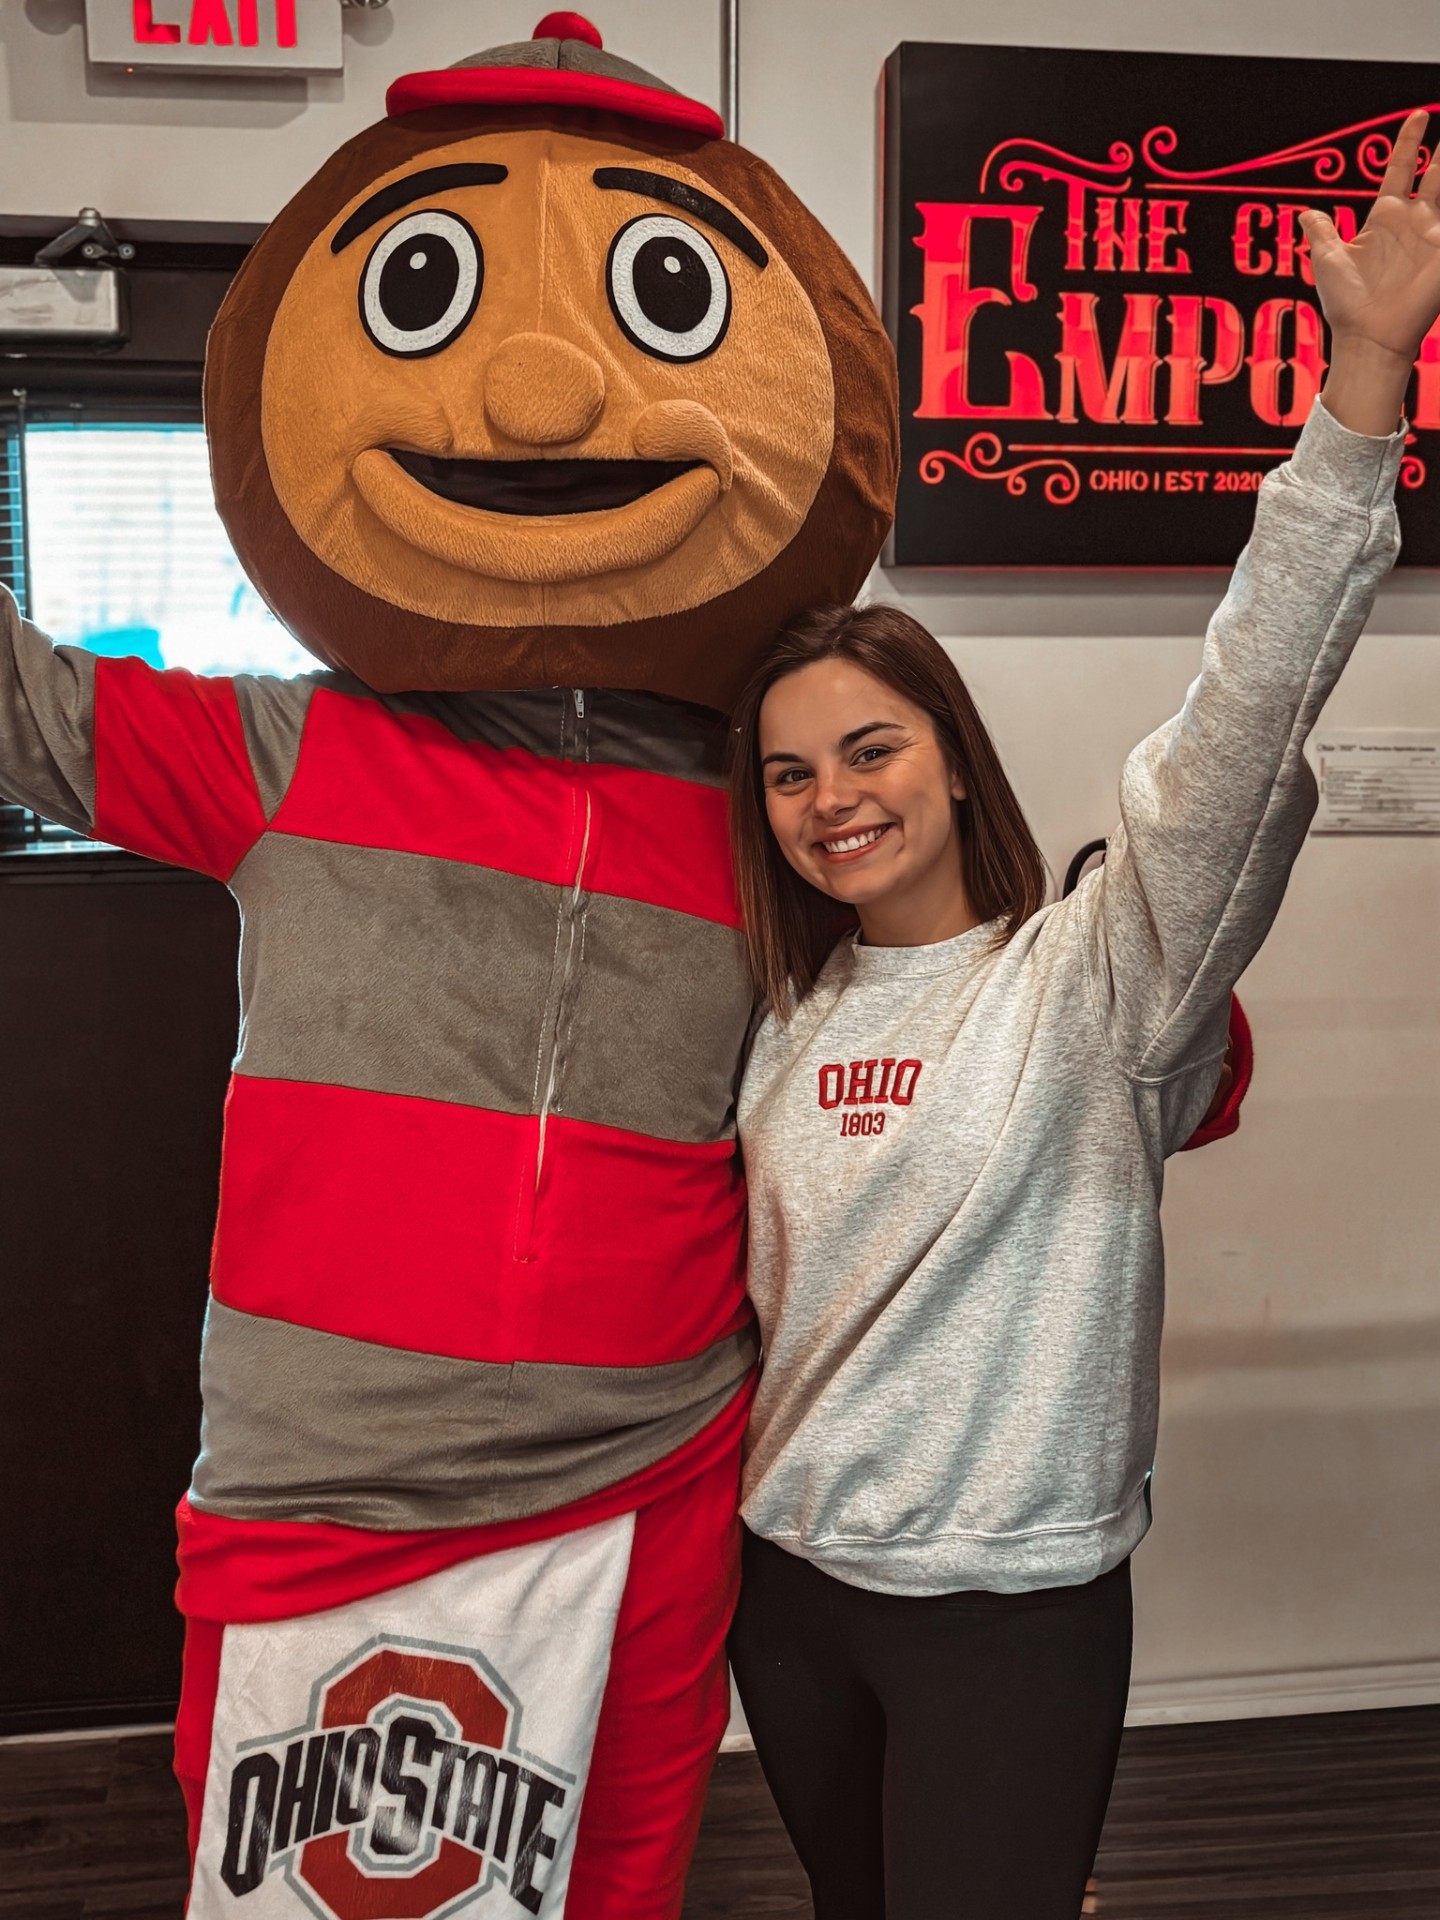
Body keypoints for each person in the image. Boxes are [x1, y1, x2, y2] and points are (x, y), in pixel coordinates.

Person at [723, 111, 1440, 1920]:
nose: (833, 801)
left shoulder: (1101, 975)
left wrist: (1363, 387)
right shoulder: (779, 1010)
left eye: (870, 750)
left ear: (954, 767)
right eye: (793, 773)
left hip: (1012, 1604)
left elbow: (1238, 719)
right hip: (786, 1584)